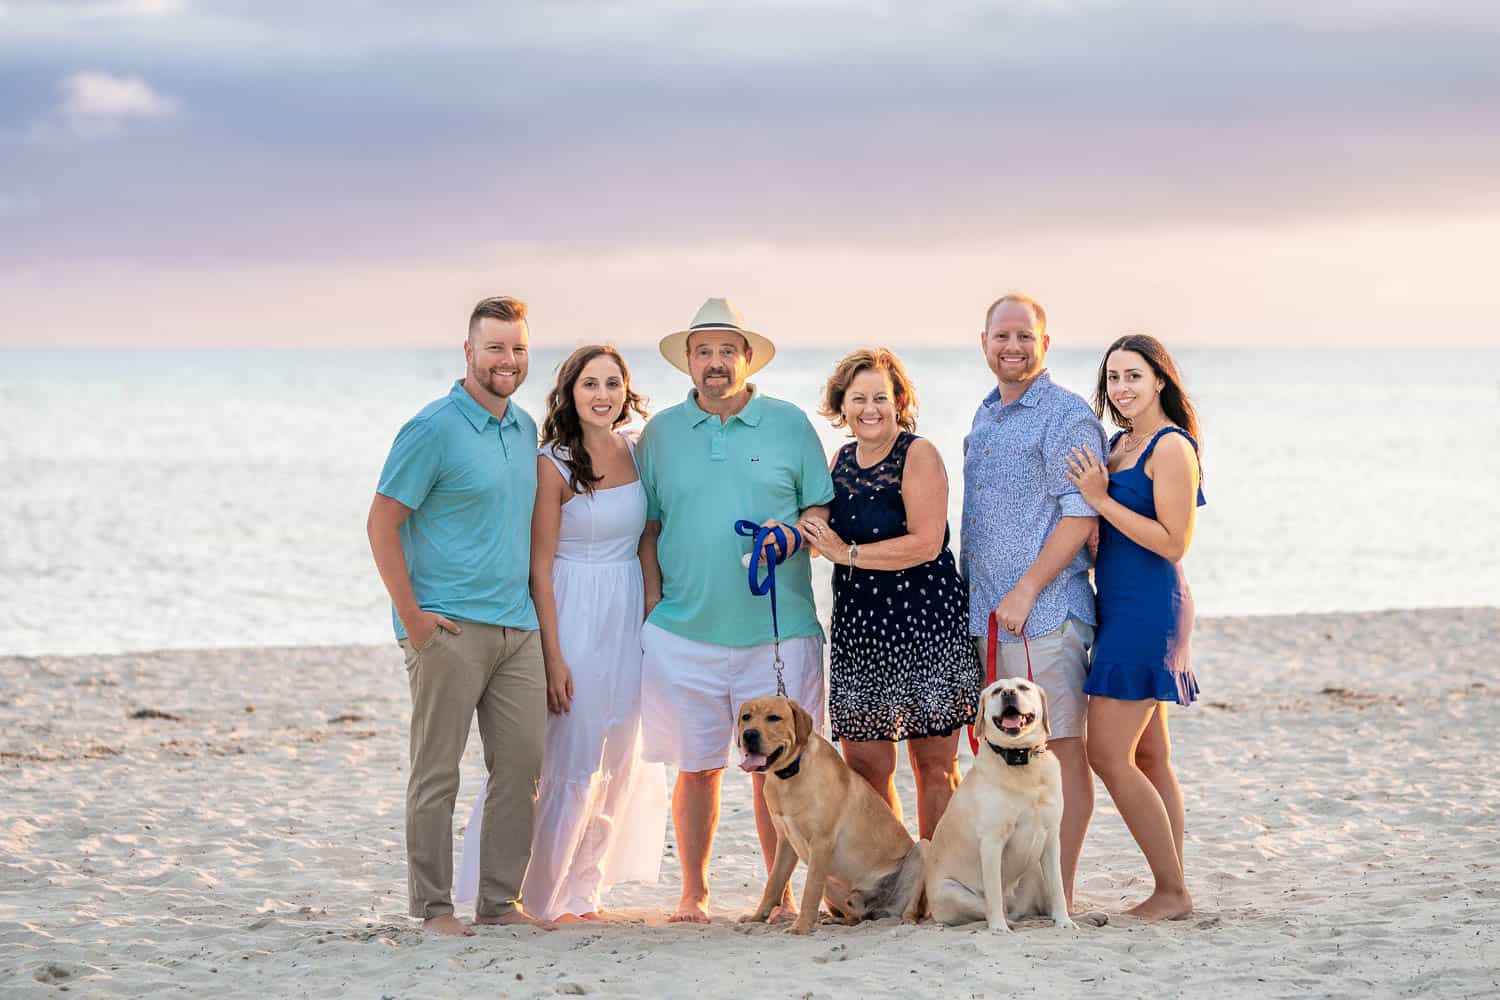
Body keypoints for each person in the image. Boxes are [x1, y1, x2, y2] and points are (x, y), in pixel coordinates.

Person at [635, 297, 834, 923]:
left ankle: (778, 898)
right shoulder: (659, 433)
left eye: (727, 351)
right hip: (683, 635)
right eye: (703, 352)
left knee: (774, 771)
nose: (715, 363)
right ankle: (693, 893)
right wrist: (650, 608)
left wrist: (792, 536)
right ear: (688, 362)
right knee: (696, 770)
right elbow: (648, 527)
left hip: (778, 633)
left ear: (746, 359)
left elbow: (819, 513)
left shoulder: (790, 423)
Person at [454, 346, 667, 922]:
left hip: (627, 614)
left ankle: (584, 893)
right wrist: (552, 657)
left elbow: (647, 540)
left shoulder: (637, 448)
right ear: (570, 393)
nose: (603, 394)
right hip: (571, 611)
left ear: (627, 389)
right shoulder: (553, 462)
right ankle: (535, 895)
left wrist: (653, 619)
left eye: (613, 383)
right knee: (566, 758)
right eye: (590, 384)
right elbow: (539, 566)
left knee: (620, 751)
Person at [365, 296, 552, 936]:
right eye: (496, 347)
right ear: (468, 351)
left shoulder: (524, 427)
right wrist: (412, 619)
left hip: (516, 626)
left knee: (522, 767)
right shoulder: (433, 428)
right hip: (448, 629)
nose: (508, 360)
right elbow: (382, 523)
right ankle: (435, 907)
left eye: (518, 348)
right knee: (437, 773)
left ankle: (500, 903)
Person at [959, 291, 1109, 911]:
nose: (1013, 346)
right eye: (1002, 336)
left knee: (1060, 751)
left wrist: (1025, 588)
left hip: (1044, 615)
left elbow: (1080, 515)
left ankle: (1060, 892)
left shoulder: (1067, 416)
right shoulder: (987, 414)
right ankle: (1026, 887)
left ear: (1045, 343)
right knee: (1007, 753)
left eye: (1025, 336)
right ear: (985, 342)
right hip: (992, 618)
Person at [796, 348, 981, 839]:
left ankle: (939, 880)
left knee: (933, 766)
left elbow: (926, 543)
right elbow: (822, 537)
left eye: (880, 396)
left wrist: (847, 554)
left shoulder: (918, 454)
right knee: (865, 766)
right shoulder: (839, 460)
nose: (870, 408)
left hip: (926, 623)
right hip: (861, 630)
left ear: (899, 401)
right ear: (842, 405)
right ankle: (898, 875)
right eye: (858, 398)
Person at [1065, 333, 1205, 922]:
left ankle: (1172, 892)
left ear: (1161, 381)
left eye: (1134, 377)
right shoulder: (1121, 444)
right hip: (1117, 603)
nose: (1122, 389)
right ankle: (1172, 883)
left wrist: (1099, 499)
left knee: (1107, 754)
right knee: (1150, 757)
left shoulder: (1171, 447)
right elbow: (1117, 536)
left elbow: (1175, 542)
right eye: (1114, 378)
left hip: (1150, 610)